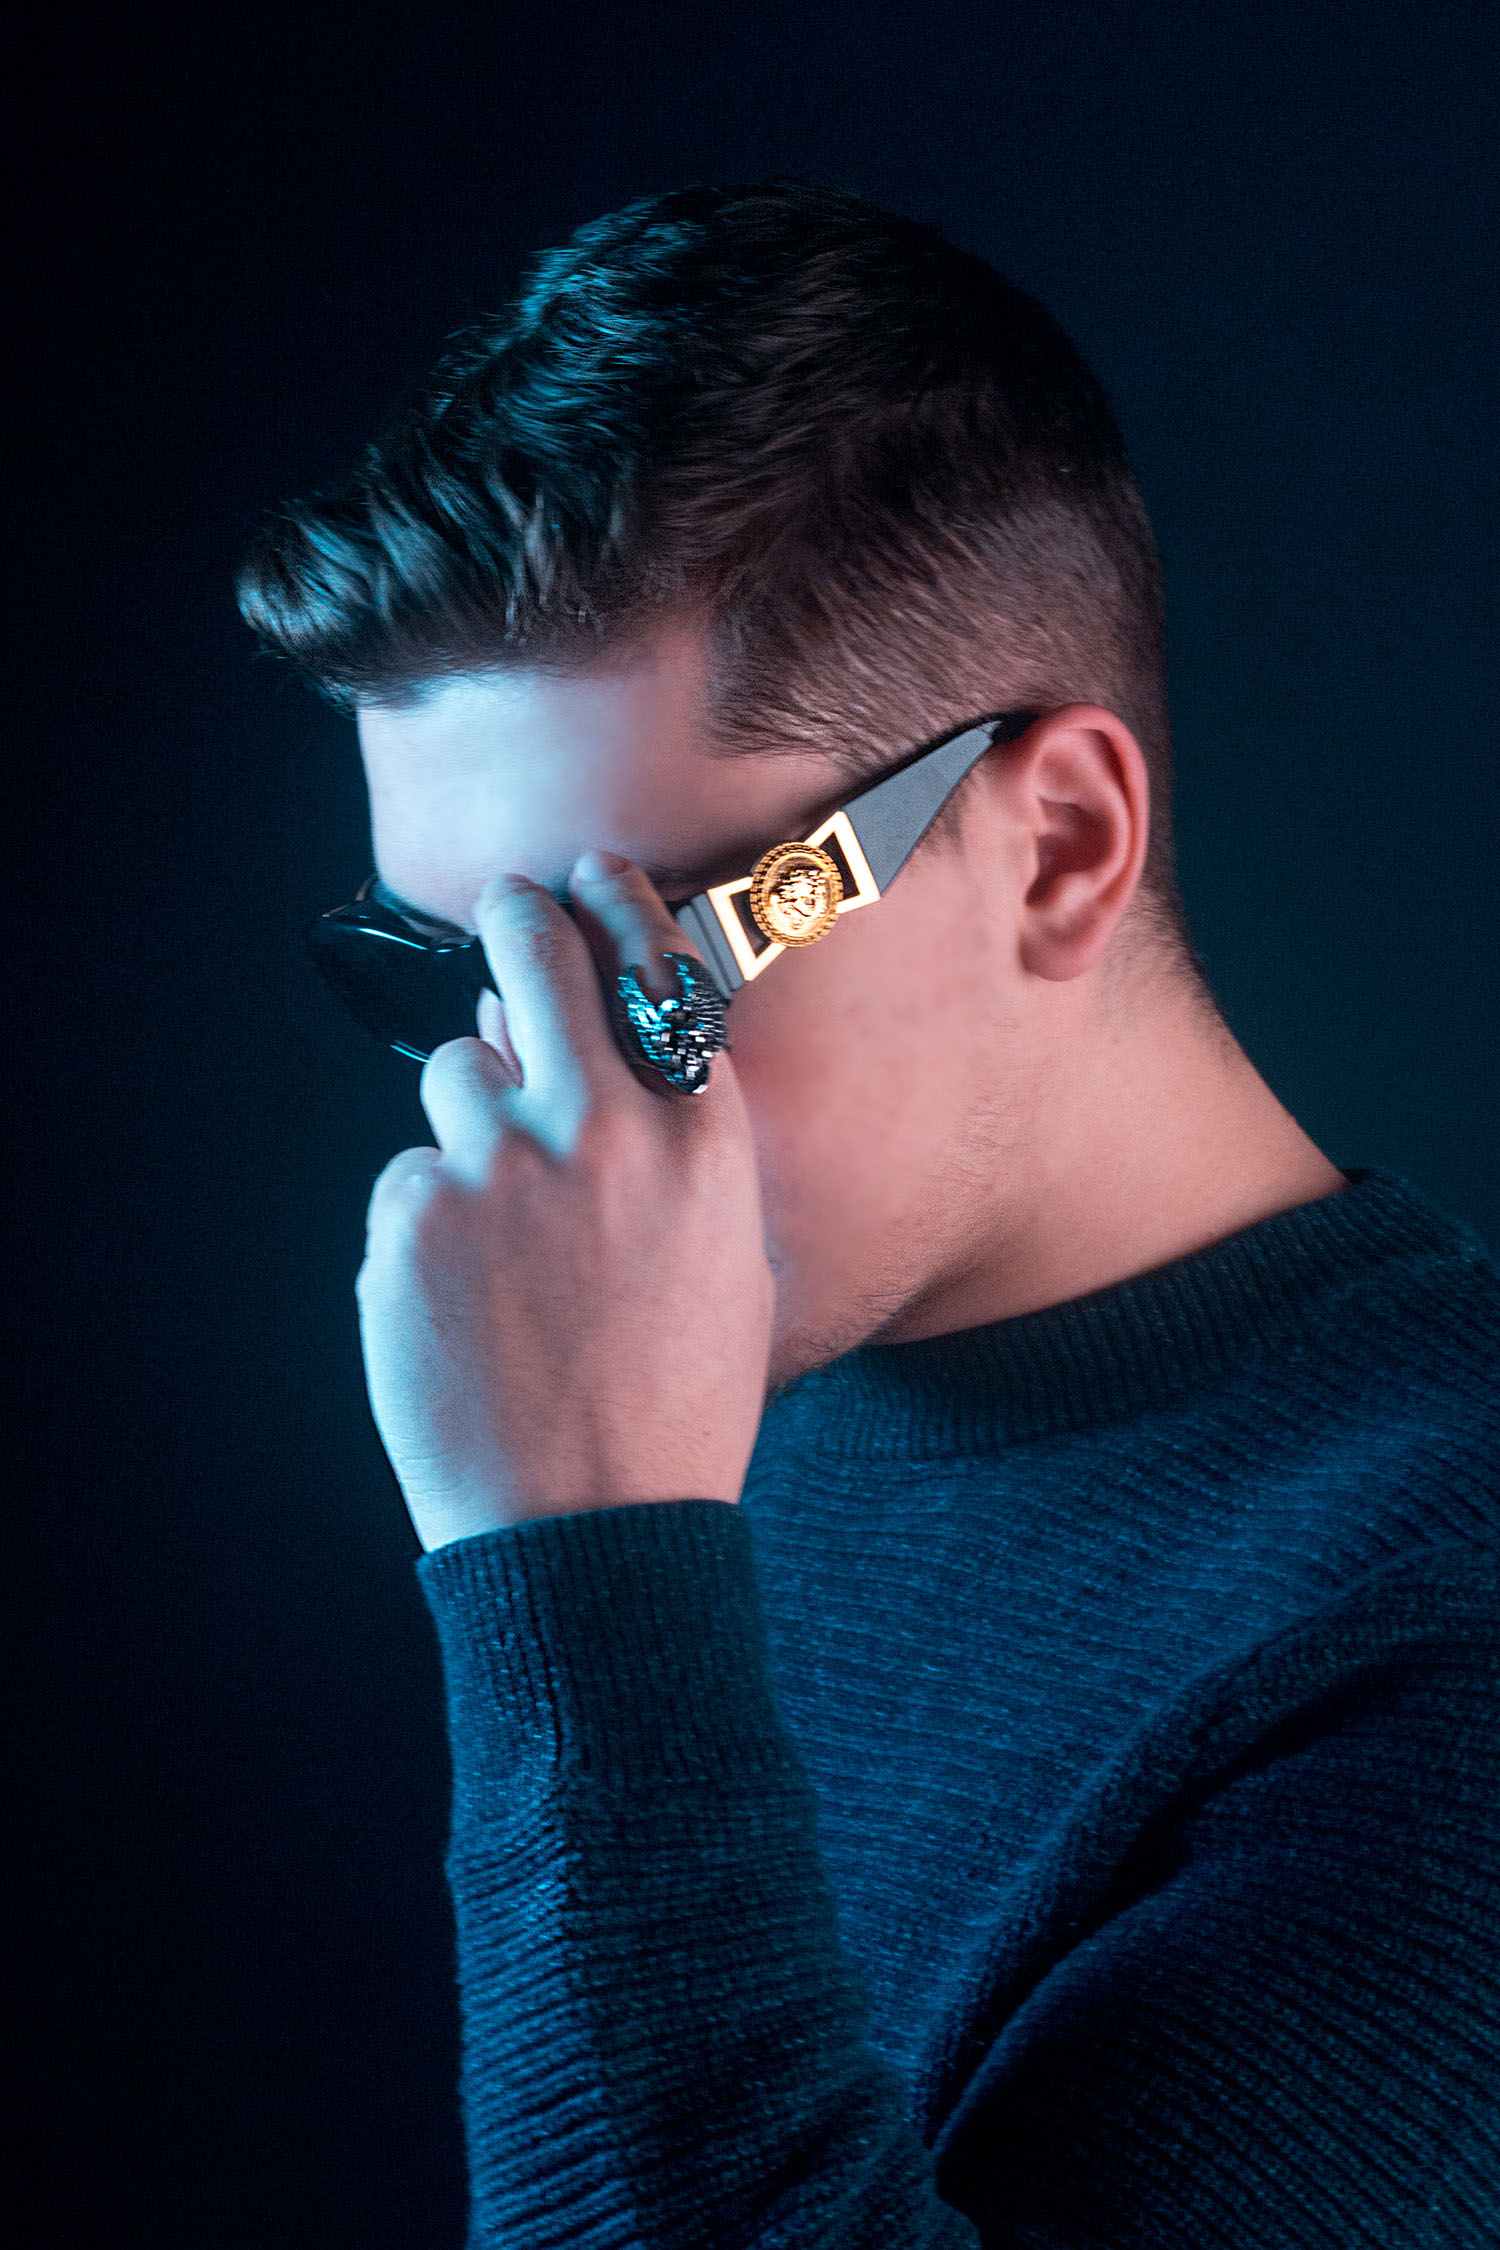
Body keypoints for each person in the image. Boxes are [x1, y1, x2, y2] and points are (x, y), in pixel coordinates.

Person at [237, 181, 1500, 2245]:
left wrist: (578, 1565)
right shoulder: (702, 1404)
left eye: (635, 964)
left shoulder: (1439, 1641)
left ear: (1059, 842)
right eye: (444, 971)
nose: (523, 1101)